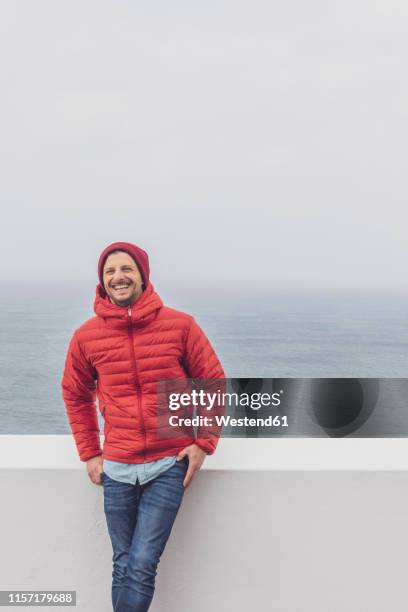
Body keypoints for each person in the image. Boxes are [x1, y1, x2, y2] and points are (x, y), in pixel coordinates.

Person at [62, 241, 224, 612]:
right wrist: (90, 452)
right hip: (117, 467)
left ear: (142, 275)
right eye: (110, 272)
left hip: (169, 463)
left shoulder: (181, 326)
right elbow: (75, 394)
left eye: (126, 269)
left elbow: (212, 381)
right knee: (123, 565)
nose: (118, 277)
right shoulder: (87, 336)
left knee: (141, 565)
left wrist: (203, 443)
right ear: (102, 282)